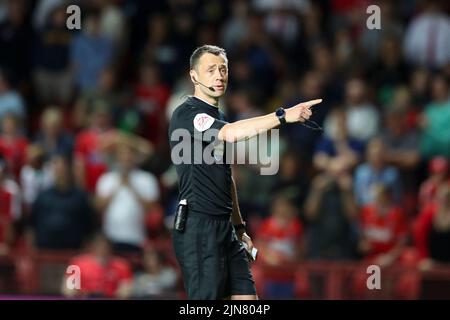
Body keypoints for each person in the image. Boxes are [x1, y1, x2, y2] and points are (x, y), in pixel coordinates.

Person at [168, 44, 321, 300]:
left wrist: (239, 227)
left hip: (225, 228)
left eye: (223, 69)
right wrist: (283, 116)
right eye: (210, 70)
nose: (219, 75)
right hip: (199, 227)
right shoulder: (188, 114)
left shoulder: (219, 117)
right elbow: (232, 133)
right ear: (194, 76)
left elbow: (225, 177)